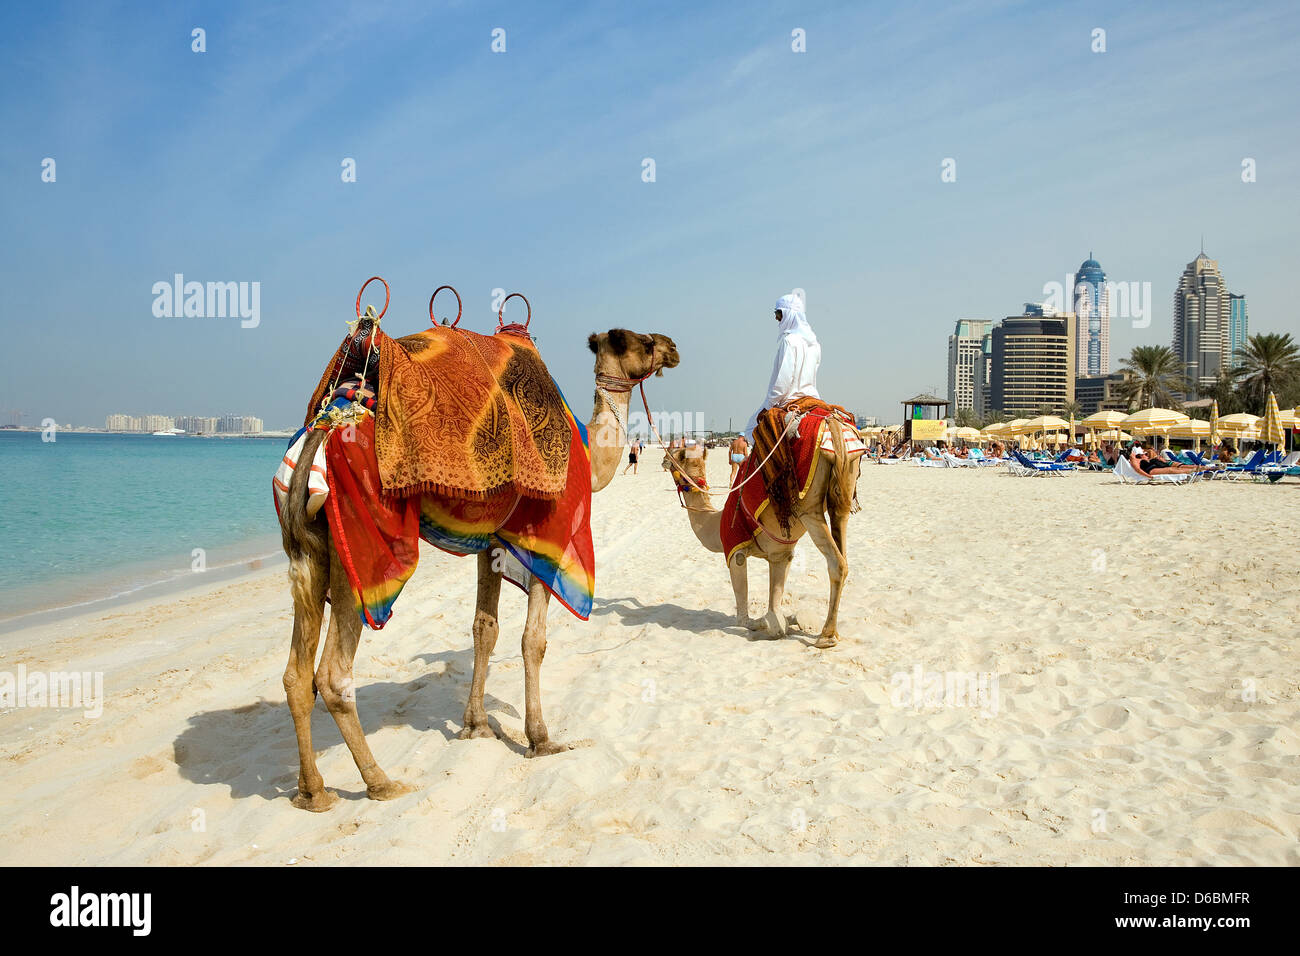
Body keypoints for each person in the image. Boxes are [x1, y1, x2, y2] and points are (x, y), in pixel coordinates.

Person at [742, 291, 820, 441]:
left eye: (778, 313)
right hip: (813, 399)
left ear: (788, 314)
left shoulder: (789, 341)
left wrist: (768, 405)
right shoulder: (815, 344)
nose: (776, 318)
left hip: (789, 400)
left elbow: (783, 383)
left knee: (751, 430)